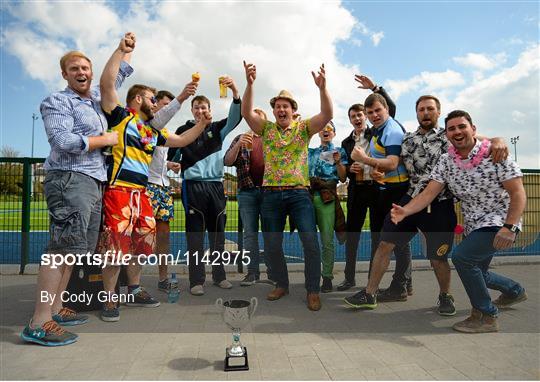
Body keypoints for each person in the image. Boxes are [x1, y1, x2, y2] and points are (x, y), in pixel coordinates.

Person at [19, 38, 134, 346]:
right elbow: (62, 141)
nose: (81, 72)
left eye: (85, 67)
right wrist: (103, 140)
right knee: (60, 249)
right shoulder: (57, 101)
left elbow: (116, 75)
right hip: (70, 177)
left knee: (74, 250)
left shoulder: (97, 97)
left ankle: (56, 308)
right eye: (74, 68)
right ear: (65, 74)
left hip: (94, 181)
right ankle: (39, 322)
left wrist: (124, 50)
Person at [98, 34, 204, 322]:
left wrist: (203, 124)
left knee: (139, 247)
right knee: (115, 248)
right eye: (151, 98)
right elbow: (107, 85)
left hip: (141, 195)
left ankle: (134, 289)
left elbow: (181, 140)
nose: (155, 103)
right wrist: (121, 52)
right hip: (119, 191)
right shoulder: (121, 117)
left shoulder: (152, 132)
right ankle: (109, 299)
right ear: (136, 99)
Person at [390, 110, 527, 332]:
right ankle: (514, 291)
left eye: (462, 126)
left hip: (499, 221)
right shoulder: (446, 160)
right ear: (447, 135)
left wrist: (509, 227)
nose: (457, 132)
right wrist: (405, 211)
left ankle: (485, 315)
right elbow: (428, 194)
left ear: (473, 129)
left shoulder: (495, 153)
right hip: (474, 224)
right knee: (478, 272)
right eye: (451, 129)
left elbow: (518, 193)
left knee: (463, 258)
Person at [241, 60, 332, 311]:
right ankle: (281, 284)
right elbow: (247, 113)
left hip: (299, 194)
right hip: (270, 195)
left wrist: (322, 88)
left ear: (293, 110)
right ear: (274, 111)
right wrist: (250, 84)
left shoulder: (303, 129)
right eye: (278, 106)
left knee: (310, 243)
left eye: (286, 106)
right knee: (271, 245)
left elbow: (327, 115)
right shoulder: (267, 129)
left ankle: (312, 290)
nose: (281, 109)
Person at [168, 78, 242, 296]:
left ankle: (220, 277)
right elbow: (172, 157)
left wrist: (235, 91)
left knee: (218, 237)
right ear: (192, 110)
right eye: (197, 107)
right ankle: (196, 281)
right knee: (195, 238)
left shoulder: (218, 128)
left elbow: (236, 117)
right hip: (193, 188)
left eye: (204, 107)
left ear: (209, 110)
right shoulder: (183, 129)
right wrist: (172, 164)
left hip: (216, 188)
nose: (200, 110)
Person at [344, 92, 413, 302]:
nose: (374, 115)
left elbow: (392, 162)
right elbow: (388, 166)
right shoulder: (378, 130)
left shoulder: (391, 130)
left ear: (387, 110)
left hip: (398, 191)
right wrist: (376, 171)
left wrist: (365, 159)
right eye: (370, 112)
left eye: (377, 110)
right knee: (394, 240)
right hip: (384, 190)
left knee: (394, 240)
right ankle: (401, 285)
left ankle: (398, 285)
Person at [337, 75, 398, 291]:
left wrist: (375, 88)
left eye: (360, 114)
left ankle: (373, 282)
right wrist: (351, 170)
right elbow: (342, 171)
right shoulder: (345, 142)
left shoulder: (378, 130)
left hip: (376, 191)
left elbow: (390, 108)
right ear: (351, 119)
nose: (357, 118)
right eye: (353, 116)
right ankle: (349, 278)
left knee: (376, 236)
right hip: (356, 191)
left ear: (366, 116)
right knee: (352, 237)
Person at [223, 108, 274, 286]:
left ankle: (272, 273)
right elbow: (227, 161)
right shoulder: (240, 138)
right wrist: (238, 145)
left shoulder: (272, 138)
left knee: (271, 234)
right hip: (247, 192)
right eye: (253, 119)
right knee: (250, 235)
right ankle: (252, 273)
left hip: (269, 192)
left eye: (259, 119)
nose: (255, 122)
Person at [146, 90, 184, 291]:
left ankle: (162, 279)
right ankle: (129, 283)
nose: (169, 108)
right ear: (155, 104)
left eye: (171, 104)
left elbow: (157, 159)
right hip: (147, 186)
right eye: (165, 104)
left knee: (164, 235)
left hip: (164, 186)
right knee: (141, 235)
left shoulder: (165, 132)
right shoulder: (146, 126)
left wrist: (168, 165)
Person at [307, 121, 347, 292]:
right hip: (307, 197)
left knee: (327, 241)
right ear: (318, 132)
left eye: (329, 128)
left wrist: (338, 163)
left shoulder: (339, 151)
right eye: (322, 128)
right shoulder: (310, 152)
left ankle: (327, 277)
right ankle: (311, 276)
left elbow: (344, 178)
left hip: (327, 198)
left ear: (334, 133)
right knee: (308, 242)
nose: (325, 130)